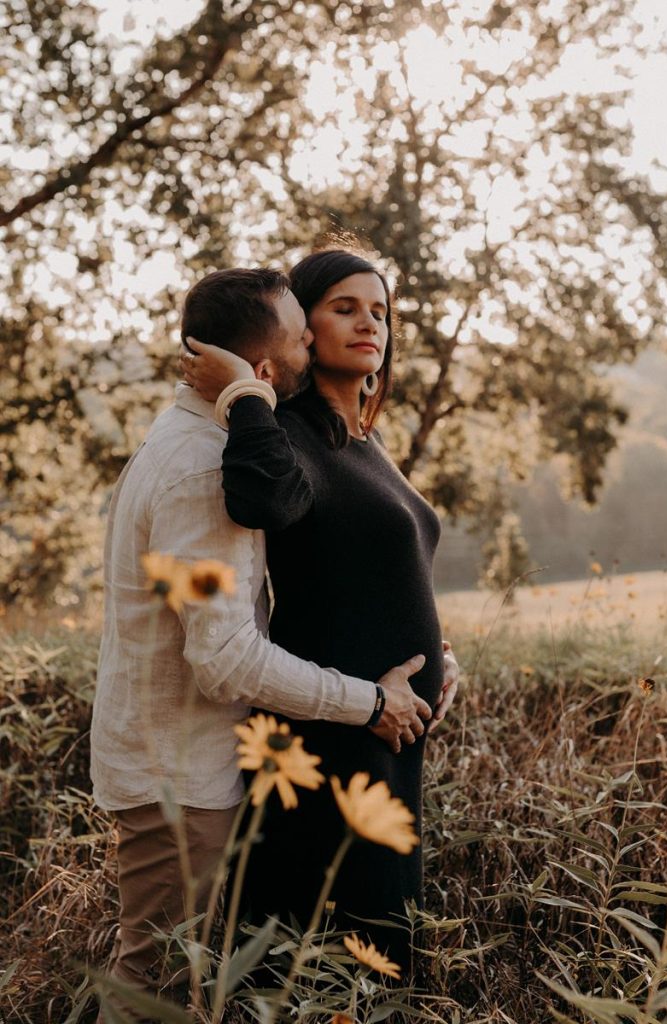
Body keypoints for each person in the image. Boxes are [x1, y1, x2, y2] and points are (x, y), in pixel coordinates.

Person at [90, 267, 433, 1013]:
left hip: (193, 766)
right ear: (269, 365)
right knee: (148, 985)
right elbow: (223, 658)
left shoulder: (203, 443)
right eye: (312, 325)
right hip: (177, 770)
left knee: (169, 976)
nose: (323, 336)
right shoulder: (202, 468)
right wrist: (369, 701)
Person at [180, 249, 459, 971]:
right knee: (326, 960)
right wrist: (245, 392)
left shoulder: (364, 438)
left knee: (377, 952)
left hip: (388, 736)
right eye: (344, 308)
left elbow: (379, 564)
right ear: (302, 327)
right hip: (331, 731)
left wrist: (440, 649)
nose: (369, 323)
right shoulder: (287, 432)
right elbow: (263, 499)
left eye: (380, 311)